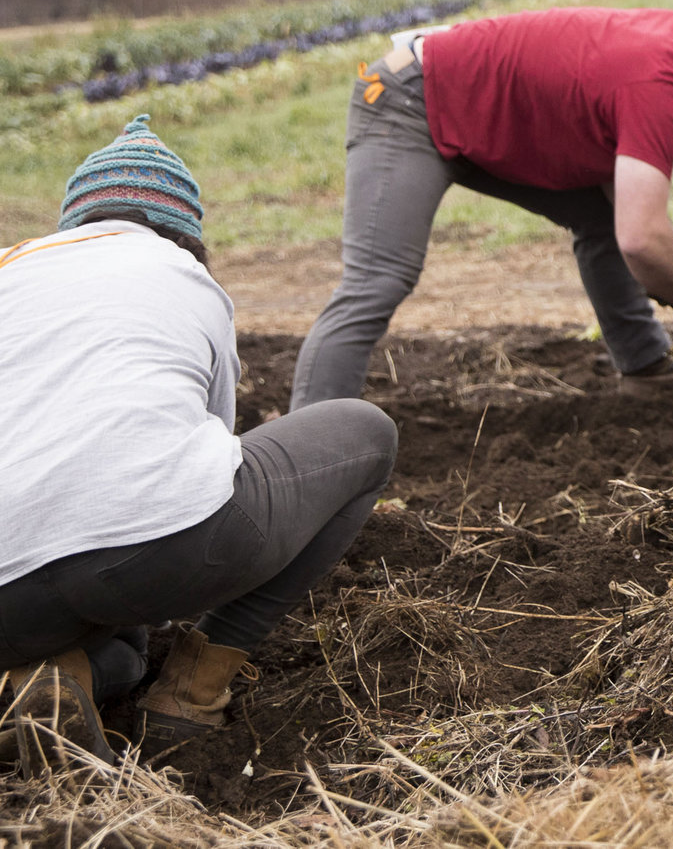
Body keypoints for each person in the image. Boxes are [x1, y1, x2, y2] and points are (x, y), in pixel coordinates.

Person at [0, 117, 398, 765]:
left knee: (121, 643)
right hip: (156, 546)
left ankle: (52, 681)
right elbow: (211, 450)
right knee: (366, 433)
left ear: (73, 220)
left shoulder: (11, 269)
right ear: (189, 235)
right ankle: (191, 694)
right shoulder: (183, 276)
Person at [290, 3, 673, 408]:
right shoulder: (661, 85)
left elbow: (627, 208)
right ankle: (305, 452)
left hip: (481, 114)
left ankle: (648, 373)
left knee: (596, 217)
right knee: (378, 279)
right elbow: (640, 238)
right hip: (409, 99)